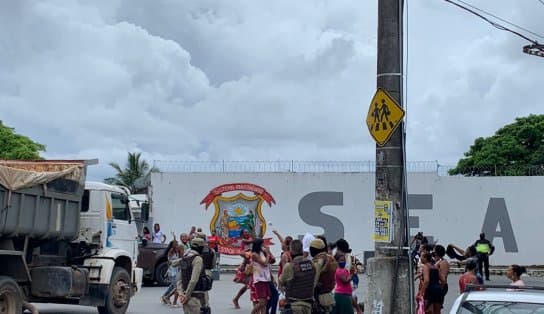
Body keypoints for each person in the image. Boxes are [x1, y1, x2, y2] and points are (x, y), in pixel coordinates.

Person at [173, 237, 211, 314]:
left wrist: (181, 294)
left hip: (186, 298)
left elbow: (180, 279)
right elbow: (193, 280)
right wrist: (187, 295)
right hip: (195, 298)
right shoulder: (198, 259)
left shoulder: (185, 257)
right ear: (200, 247)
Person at [279, 239, 316, 314]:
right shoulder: (311, 264)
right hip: (308, 305)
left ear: (291, 251)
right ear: (302, 250)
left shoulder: (289, 266)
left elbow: (281, 281)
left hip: (293, 305)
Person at [310, 238, 336, 314]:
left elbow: (315, 277)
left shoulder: (319, 260)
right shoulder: (330, 258)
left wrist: (310, 294)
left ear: (315, 249)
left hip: (320, 297)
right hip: (329, 295)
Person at [195, 232, 216, 313]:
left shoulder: (195, 250)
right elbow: (213, 264)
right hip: (207, 271)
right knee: (205, 290)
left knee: (197, 290)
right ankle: (205, 306)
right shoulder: (211, 250)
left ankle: (202, 307)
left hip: (198, 271)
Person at [251, 238, 271, 314]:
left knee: (265, 303)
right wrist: (268, 253)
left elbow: (270, 262)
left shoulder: (261, 252)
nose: (264, 245)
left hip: (265, 278)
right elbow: (265, 263)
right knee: (262, 302)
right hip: (259, 279)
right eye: (262, 244)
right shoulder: (254, 254)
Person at [161, 240, 181, 306]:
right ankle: (167, 297)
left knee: (172, 285)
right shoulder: (171, 250)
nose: (178, 245)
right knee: (176, 286)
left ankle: (164, 296)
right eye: (176, 244)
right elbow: (169, 261)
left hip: (176, 270)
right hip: (172, 271)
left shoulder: (176, 251)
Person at [434, 244, 449, 309]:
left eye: (434, 252)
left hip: (441, 286)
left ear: (437, 253)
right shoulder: (439, 262)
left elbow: (443, 277)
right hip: (438, 286)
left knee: (437, 307)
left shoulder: (443, 262)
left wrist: (440, 290)